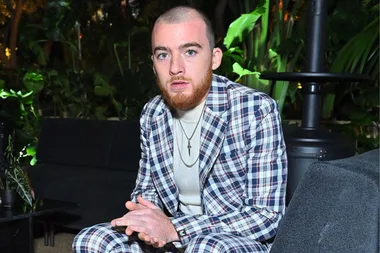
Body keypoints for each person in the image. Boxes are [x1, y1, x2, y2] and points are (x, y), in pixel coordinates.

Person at [73, 5, 287, 253]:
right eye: (163, 55)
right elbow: (146, 191)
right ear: (154, 63)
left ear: (214, 58)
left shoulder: (255, 110)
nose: (175, 68)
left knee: (205, 247)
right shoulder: (153, 113)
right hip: (171, 238)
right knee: (91, 240)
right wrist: (147, 221)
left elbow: (267, 217)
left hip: (230, 240)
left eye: (190, 52)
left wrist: (177, 229)